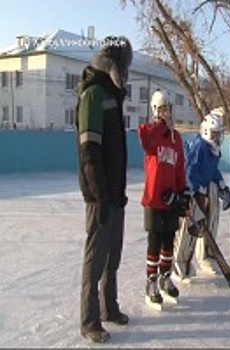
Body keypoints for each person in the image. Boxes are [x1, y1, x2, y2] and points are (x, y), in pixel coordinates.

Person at [76, 35, 132, 343]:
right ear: (113, 63)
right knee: (95, 259)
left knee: (114, 256)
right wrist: (99, 194)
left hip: (116, 192)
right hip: (100, 195)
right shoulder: (94, 94)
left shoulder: (112, 94)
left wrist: (116, 191)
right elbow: (89, 150)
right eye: (124, 65)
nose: (126, 72)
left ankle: (109, 307)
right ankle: (89, 320)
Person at [138, 90, 191, 309]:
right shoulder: (151, 131)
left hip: (170, 199)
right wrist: (161, 124)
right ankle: (150, 283)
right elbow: (144, 139)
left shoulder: (176, 138)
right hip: (153, 198)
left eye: (167, 109)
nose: (165, 114)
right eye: (160, 110)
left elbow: (179, 167)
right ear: (154, 111)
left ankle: (165, 277)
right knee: (154, 240)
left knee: (169, 239)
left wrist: (183, 192)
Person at [173, 110, 230, 280]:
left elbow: (212, 171)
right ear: (206, 132)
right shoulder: (199, 147)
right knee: (189, 229)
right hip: (192, 193)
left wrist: (222, 187)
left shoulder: (211, 150)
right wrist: (196, 192)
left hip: (204, 191)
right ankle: (179, 263)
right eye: (215, 134)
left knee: (206, 224)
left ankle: (205, 256)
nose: (218, 138)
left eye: (219, 134)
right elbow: (189, 172)